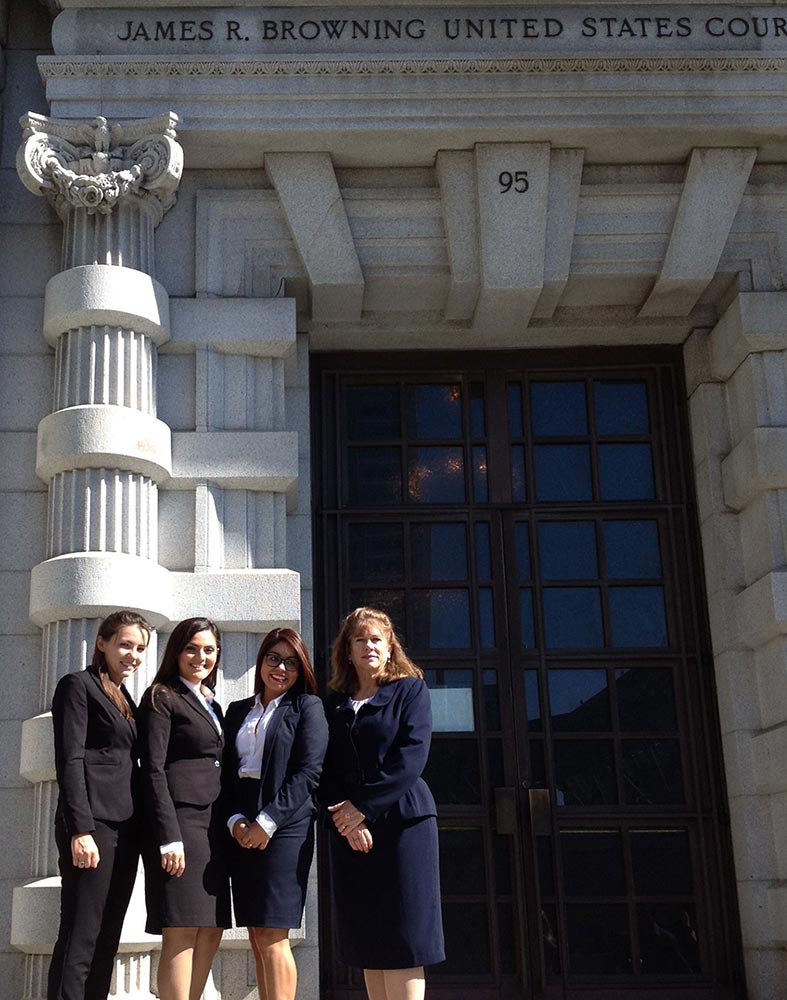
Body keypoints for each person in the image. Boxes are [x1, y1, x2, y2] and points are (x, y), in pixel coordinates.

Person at [320, 607, 445, 1000]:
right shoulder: (334, 702)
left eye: (376, 639)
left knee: (404, 938)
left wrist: (364, 808)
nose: (368, 645)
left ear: (390, 648)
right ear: (348, 650)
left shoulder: (410, 689)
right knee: (369, 940)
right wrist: (349, 822)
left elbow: (411, 756)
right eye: (360, 639)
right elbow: (324, 769)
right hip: (351, 832)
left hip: (404, 826)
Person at [48, 609, 152, 1000]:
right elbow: (70, 759)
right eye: (125, 644)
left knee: (108, 934)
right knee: (81, 933)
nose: (133, 655)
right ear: (102, 643)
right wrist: (81, 829)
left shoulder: (124, 696)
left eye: (140, 648)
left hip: (125, 828)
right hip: (94, 826)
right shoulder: (78, 686)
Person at [222, 628, 328, 1000]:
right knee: (255, 932)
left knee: (273, 933)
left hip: (285, 827)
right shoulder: (237, 711)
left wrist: (267, 822)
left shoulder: (308, 708)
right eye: (274, 658)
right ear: (261, 660)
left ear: (301, 670)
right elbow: (226, 775)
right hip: (243, 825)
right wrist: (236, 822)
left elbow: (308, 773)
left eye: (291, 662)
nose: (281, 668)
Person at [138, 617, 231, 1000]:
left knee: (210, 927)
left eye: (209, 649)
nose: (200, 656)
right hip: (181, 824)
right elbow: (153, 769)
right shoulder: (161, 696)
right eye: (192, 648)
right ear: (176, 651)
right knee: (181, 927)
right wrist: (168, 836)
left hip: (211, 826)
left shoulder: (209, 701)